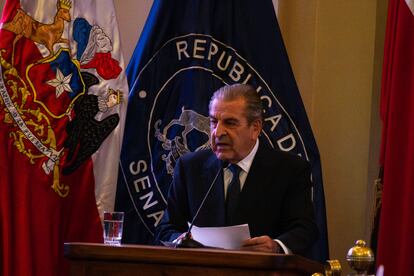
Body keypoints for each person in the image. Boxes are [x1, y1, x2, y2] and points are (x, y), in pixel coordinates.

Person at [155, 84, 318, 255]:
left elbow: (304, 229)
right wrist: (178, 240)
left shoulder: (290, 169)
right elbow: (167, 228)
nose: (217, 133)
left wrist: (276, 246)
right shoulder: (189, 167)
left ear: (255, 128)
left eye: (230, 123)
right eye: (213, 122)